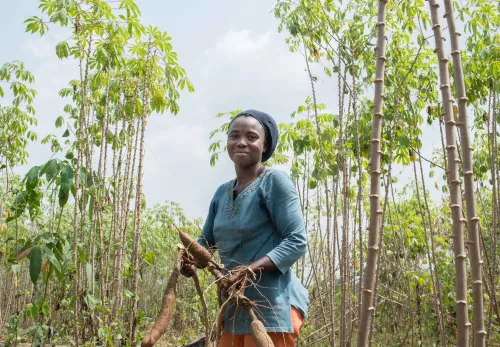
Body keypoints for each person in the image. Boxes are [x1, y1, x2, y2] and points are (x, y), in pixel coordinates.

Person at [181, 109, 309, 347]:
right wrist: (191, 259)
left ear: (265, 144)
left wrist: (249, 269)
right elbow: (206, 242)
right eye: (234, 136)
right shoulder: (221, 193)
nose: (241, 142)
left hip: (271, 307)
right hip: (232, 306)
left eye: (251, 137)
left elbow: (297, 241)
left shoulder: (274, 182)